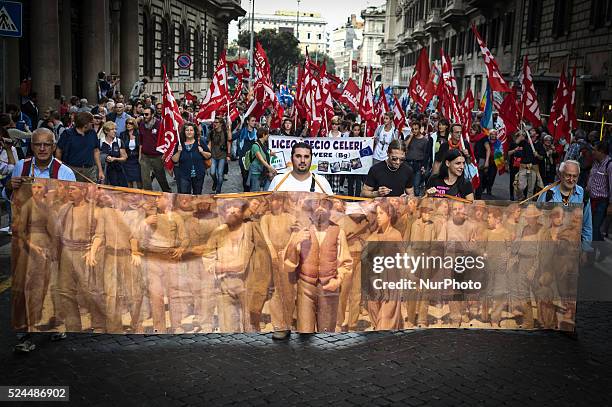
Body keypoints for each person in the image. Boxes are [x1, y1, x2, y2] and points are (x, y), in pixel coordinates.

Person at [8, 129, 76, 353]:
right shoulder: (21, 167)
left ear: (54, 146)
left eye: (47, 144)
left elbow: (72, 207)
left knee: (55, 282)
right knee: (28, 284)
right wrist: (10, 187)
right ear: (32, 146)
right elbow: (11, 197)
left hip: (55, 236)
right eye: (38, 145)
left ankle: (57, 321)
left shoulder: (64, 172)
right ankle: (27, 333)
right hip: (27, 237)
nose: (43, 149)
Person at [284, 196, 353, 333]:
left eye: (325, 204)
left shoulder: (338, 232)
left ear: (330, 209)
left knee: (326, 332)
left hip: (329, 288)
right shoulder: (301, 231)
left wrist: (338, 280)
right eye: (317, 204)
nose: (320, 208)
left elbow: (346, 263)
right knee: (305, 332)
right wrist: (293, 244)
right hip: (306, 287)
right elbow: (288, 266)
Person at [141, 194, 189, 333]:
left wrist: (181, 248)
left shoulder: (176, 217)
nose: (156, 200)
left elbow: (184, 238)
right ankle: (159, 328)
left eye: (159, 197)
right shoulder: (150, 216)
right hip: (153, 259)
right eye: (155, 197)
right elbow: (139, 236)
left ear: (168, 200)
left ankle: (177, 326)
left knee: (174, 293)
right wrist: (146, 223)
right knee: (156, 295)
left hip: (171, 258)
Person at [537, 160, 593, 251]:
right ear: (560, 175)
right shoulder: (548, 192)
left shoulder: (583, 195)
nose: (571, 180)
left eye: (575, 176)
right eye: (568, 175)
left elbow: (587, 225)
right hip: (549, 247)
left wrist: (586, 249)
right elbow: (538, 219)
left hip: (571, 249)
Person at [56, 112, 105, 183]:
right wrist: (58, 168)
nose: (93, 123)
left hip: (90, 171)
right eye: (91, 122)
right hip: (72, 170)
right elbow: (59, 151)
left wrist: (100, 171)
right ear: (85, 125)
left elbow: (96, 151)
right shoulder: (67, 134)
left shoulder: (92, 133)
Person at [268, 142, 334, 194]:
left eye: (306, 157)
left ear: (311, 159)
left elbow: (332, 209)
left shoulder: (322, 182)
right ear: (291, 158)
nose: (302, 160)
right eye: (298, 156)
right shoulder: (277, 181)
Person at [172, 122, 211, 194]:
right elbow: (174, 160)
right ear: (184, 132)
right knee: (185, 196)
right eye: (187, 130)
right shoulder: (180, 144)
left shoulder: (200, 142)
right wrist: (179, 152)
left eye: (191, 130)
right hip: (184, 175)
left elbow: (209, 155)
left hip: (198, 175)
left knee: (197, 195)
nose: (189, 132)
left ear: (194, 132)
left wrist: (202, 152)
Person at [138, 106, 170, 192]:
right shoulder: (141, 125)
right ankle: (149, 198)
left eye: (147, 114)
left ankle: (167, 193)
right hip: (145, 156)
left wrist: (165, 154)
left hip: (157, 156)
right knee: (145, 180)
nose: (144, 116)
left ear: (152, 115)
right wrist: (140, 156)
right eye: (143, 114)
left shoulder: (159, 124)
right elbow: (141, 141)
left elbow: (164, 140)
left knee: (161, 178)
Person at [586, 143, 611, 248]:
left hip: (601, 202)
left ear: (601, 152)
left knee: (595, 228)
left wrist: (610, 205)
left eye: (595, 150)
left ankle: (603, 247)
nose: (593, 152)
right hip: (590, 200)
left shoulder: (609, 165)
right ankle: (591, 254)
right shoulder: (595, 162)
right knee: (588, 227)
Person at [246, 127, 277, 192]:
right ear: (263, 135)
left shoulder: (263, 145)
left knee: (266, 190)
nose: (268, 136)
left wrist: (271, 153)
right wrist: (270, 168)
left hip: (263, 171)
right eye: (267, 134)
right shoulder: (255, 146)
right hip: (255, 173)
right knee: (255, 192)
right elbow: (261, 159)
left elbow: (266, 153)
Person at [99, 121, 128, 187]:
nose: (115, 131)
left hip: (118, 171)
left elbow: (124, 157)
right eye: (112, 129)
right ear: (106, 131)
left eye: (115, 129)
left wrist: (115, 159)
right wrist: (105, 158)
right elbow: (96, 157)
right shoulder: (100, 142)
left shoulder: (119, 141)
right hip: (105, 171)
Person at [404, 120, 429, 196]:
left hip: (417, 165)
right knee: (406, 184)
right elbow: (404, 147)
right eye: (413, 129)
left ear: (419, 129)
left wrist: (424, 167)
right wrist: (411, 137)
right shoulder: (409, 137)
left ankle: (416, 201)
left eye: (416, 129)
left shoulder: (424, 140)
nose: (414, 131)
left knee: (416, 185)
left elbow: (426, 154)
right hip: (407, 163)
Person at [208, 117, 232, 194]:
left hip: (222, 156)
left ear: (221, 124)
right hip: (213, 155)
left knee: (220, 174)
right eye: (214, 122)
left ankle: (218, 190)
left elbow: (229, 140)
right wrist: (208, 154)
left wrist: (228, 154)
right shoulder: (211, 132)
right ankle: (215, 182)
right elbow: (209, 144)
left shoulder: (225, 132)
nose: (215, 124)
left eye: (217, 122)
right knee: (212, 173)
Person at [235, 116, 258, 191]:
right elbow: (231, 137)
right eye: (252, 120)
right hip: (243, 157)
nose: (254, 122)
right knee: (245, 176)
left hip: (254, 157)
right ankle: (246, 192)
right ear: (247, 121)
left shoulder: (257, 132)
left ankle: (251, 192)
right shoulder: (242, 131)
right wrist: (229, 127)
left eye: (255, 121)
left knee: (252, 176)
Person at [470, 123, 490, 199]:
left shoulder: (483, 137)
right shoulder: (470, 138)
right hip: (471, 161)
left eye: (474, 129)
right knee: (471, 178)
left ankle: (478, 198)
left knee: (479, 179)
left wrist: (487, 161)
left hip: (480, 160)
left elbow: (488, 149)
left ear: (477, 130)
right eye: (471, 129)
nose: (471, 130)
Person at [120, 117, 142, 189]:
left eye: (131, 123)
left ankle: (140, 196)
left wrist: (140, 157)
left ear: (134, 124)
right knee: (128, 180)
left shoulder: (138, 133)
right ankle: (130, 197)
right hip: (127, 160)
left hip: (136, 160)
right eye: (127, 123)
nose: (128, 125)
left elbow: (141, 146)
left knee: (138, 179)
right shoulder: (123, 134)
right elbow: (121, 147)